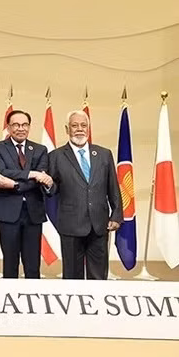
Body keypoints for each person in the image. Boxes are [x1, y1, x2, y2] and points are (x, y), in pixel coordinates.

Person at [47, 110, 122, 279]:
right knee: (72, 276)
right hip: (71, 225)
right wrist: (47, 184)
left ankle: (97, 305)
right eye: (74, 126)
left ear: (88, 128)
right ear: (67, 129)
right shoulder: (56, 157)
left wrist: (116, 215)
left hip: (99, 224)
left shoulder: (104, 154)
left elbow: (113, 187)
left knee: (99, 275)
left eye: (83, 125)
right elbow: (52, 190)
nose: (79, 129)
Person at [0, 110, 52, 279]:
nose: (20, 128)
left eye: (24, 125)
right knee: (10, 263)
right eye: (16, 125)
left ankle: (33, 302)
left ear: (29, 127)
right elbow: (2, 172)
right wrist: (32, 174)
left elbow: (42, 178)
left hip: (33, 211)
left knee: (32, 265)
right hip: (7, 211)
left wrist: (15, 184)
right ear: (8, 127)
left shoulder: (40, 149)